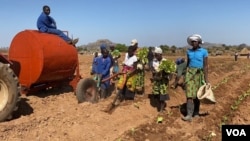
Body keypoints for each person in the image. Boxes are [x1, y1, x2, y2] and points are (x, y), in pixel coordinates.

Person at [182, 34, 209, 122]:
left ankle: (196, 112)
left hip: (199, 74)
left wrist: (206, 80)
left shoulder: (204, 52)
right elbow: (188, 64)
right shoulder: (189, 52)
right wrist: (184, 76)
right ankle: (189, 115)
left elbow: (205, 66)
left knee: (197, 95)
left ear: (199, 42)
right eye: (192, 42)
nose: (193, 43)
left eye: (195, 41)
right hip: (190, 74)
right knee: (189, 95)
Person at [151, 47, 170, 112]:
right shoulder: (154, 61)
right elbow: (153, 69)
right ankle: (160, 105)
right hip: (156, 80)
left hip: (163, 80)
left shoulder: (165, 61)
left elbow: (169, 72)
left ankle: (161, 109)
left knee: (162, 94)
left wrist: (163, 73)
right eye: (155, 55)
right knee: (156, 94)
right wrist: (154, 72)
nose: (155, 56)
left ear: (161, 54)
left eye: (156, 55)